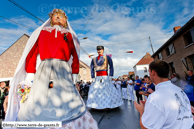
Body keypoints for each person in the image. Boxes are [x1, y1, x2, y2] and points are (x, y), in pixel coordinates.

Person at [5, 9, 98, 128]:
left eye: (61, 16)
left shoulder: (69, 35)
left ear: (65, 20)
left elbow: (74, 53)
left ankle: (65, 113)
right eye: (55, 15)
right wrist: (30, 71)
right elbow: (33, 51)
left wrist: (75, 71)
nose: (58, 17)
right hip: (46, 67)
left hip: (63, 68)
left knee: (63, 91)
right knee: (46, 89)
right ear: (51, 18)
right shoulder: (41, 32)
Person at [134, 60, 193, 129]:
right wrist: (151, 106)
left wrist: (142, 111)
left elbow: (145, 127)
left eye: (149, 71)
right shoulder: (179, 90)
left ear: (153, 72)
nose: (149, 74)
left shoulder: (155, 97)